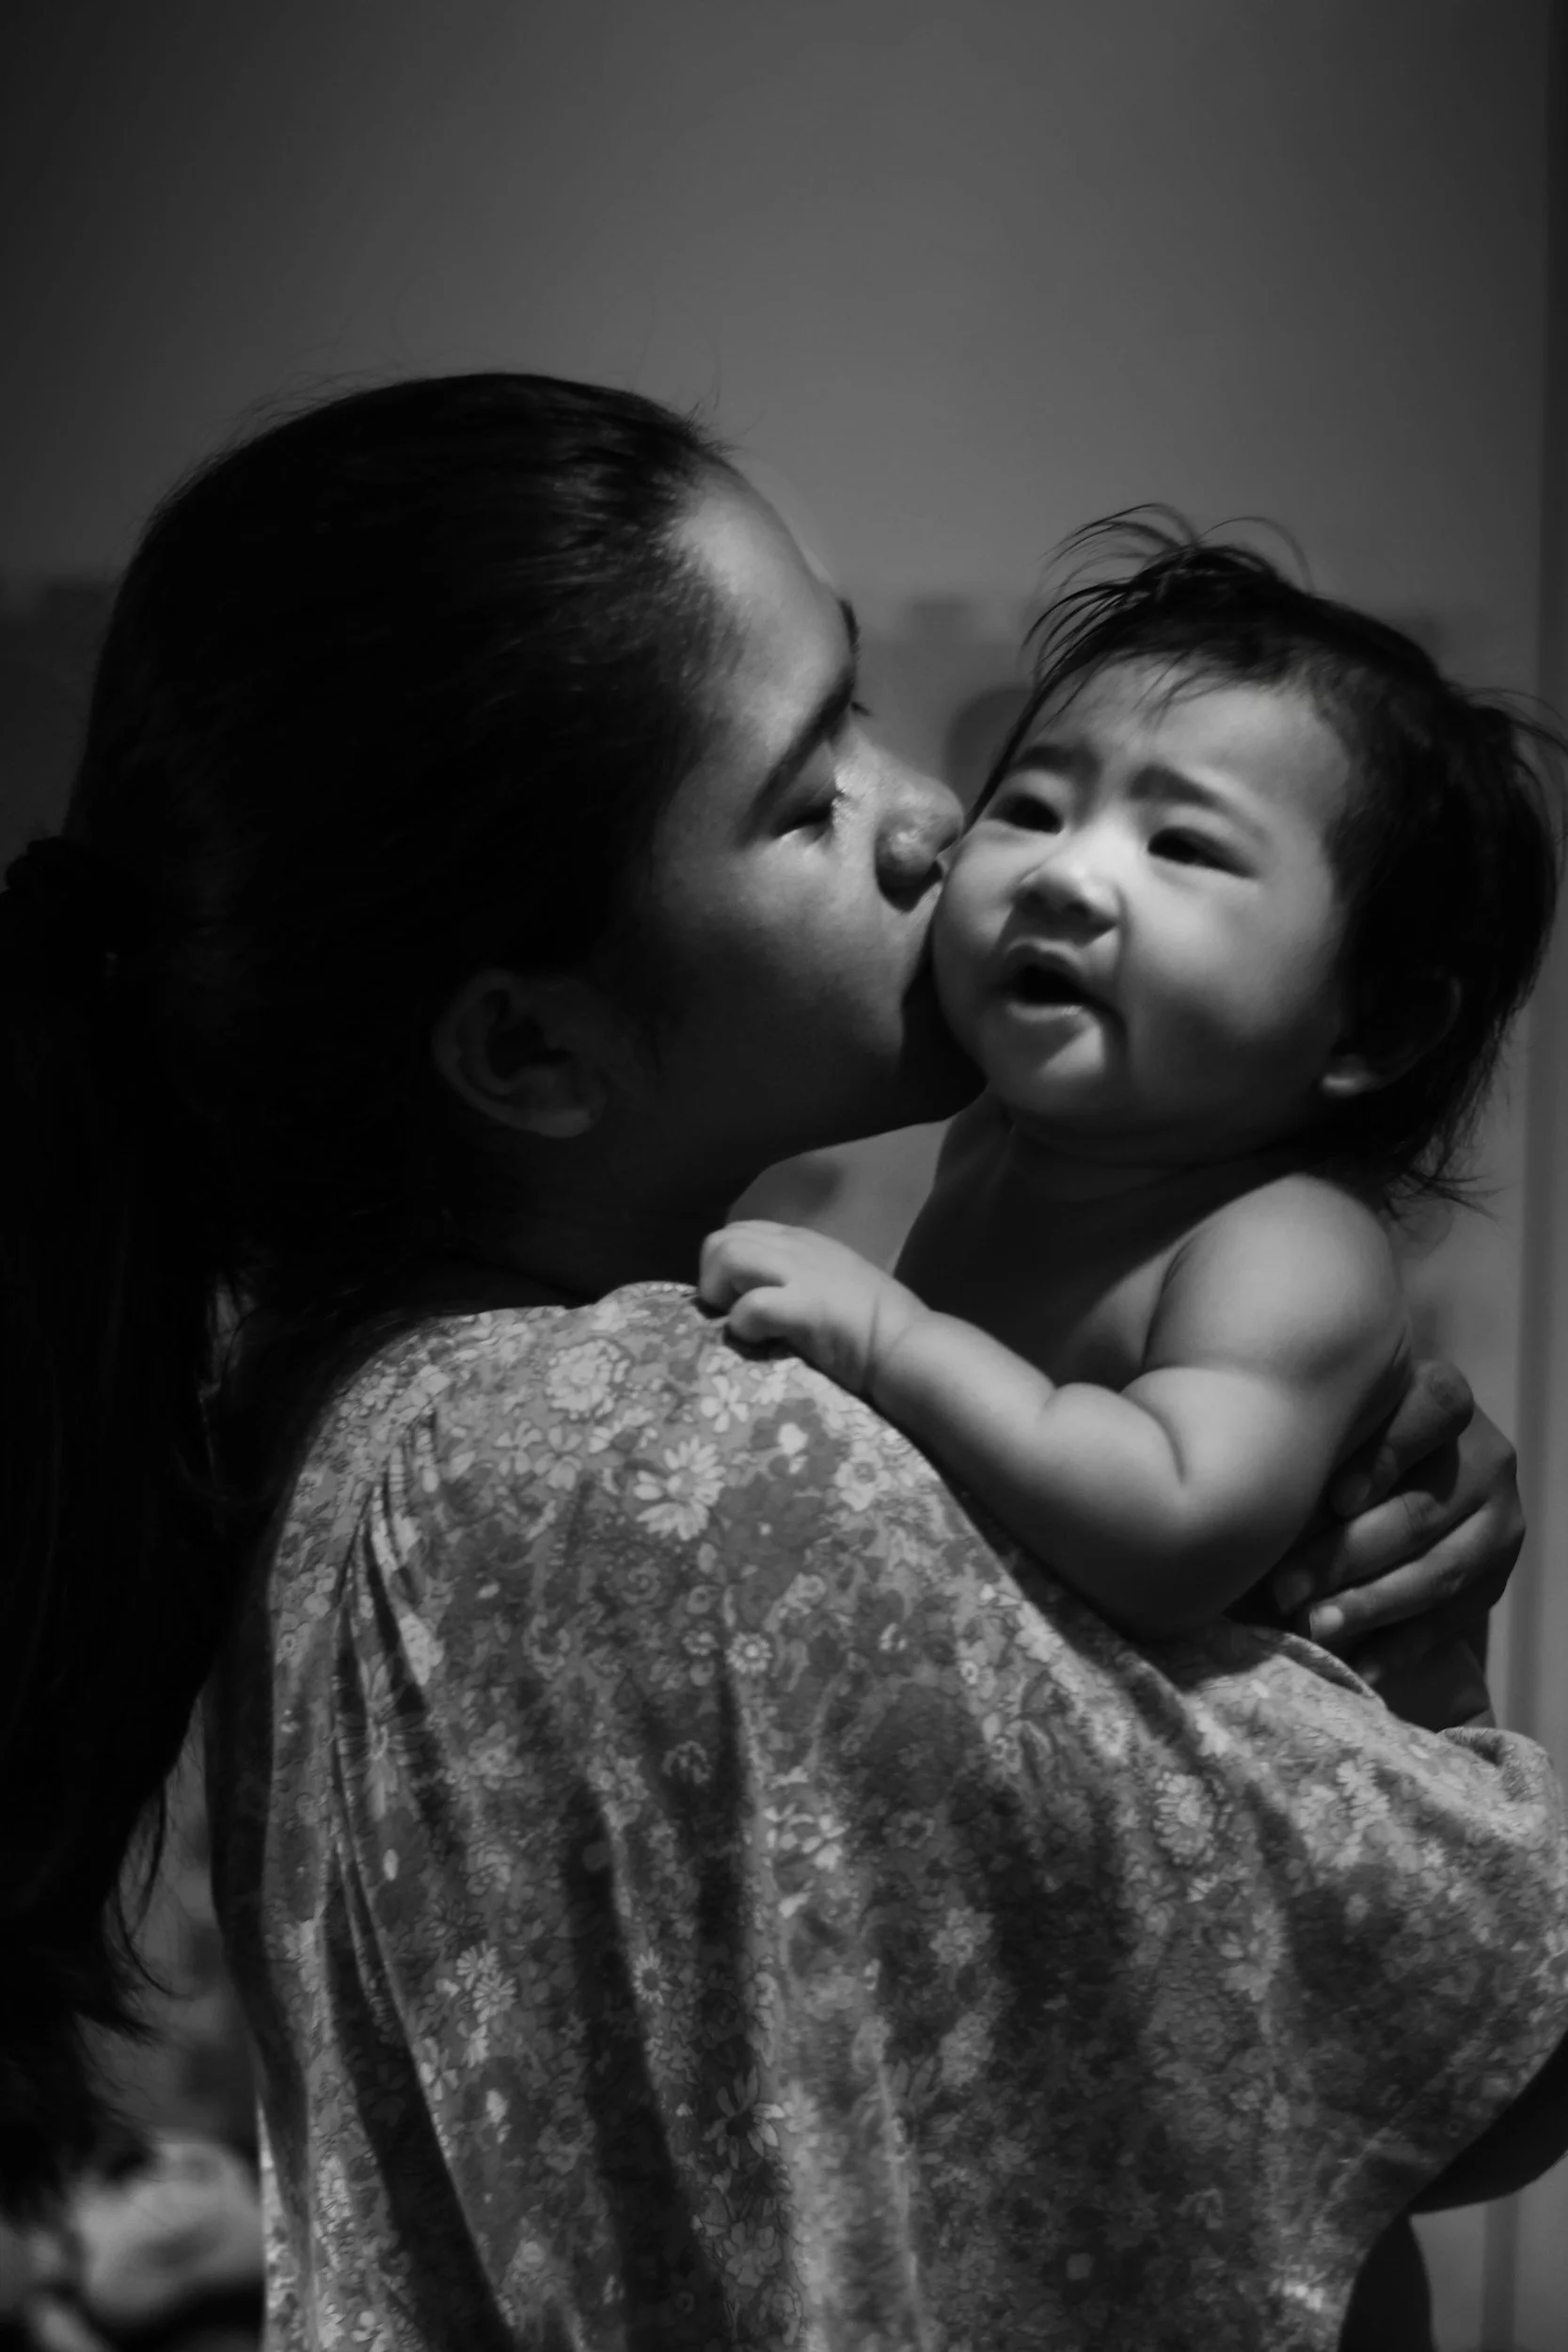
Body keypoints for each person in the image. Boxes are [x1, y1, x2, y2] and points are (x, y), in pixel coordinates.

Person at [2, 374, 1565, 2352]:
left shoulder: (363, 1422)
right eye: (804, 792)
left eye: (865, 706)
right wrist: (1418, 1686)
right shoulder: (710, 1472)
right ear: (531, 1050)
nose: (940, 823)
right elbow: (1485, 2031)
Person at [700, 528, 1560, 1693]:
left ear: (1369, 1029)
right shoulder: (992, 1140)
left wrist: (887, 1339)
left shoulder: (1285, 1241)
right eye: (1038, 806)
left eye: (1181, 844)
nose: (1063, 875)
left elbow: (1174, 1524)